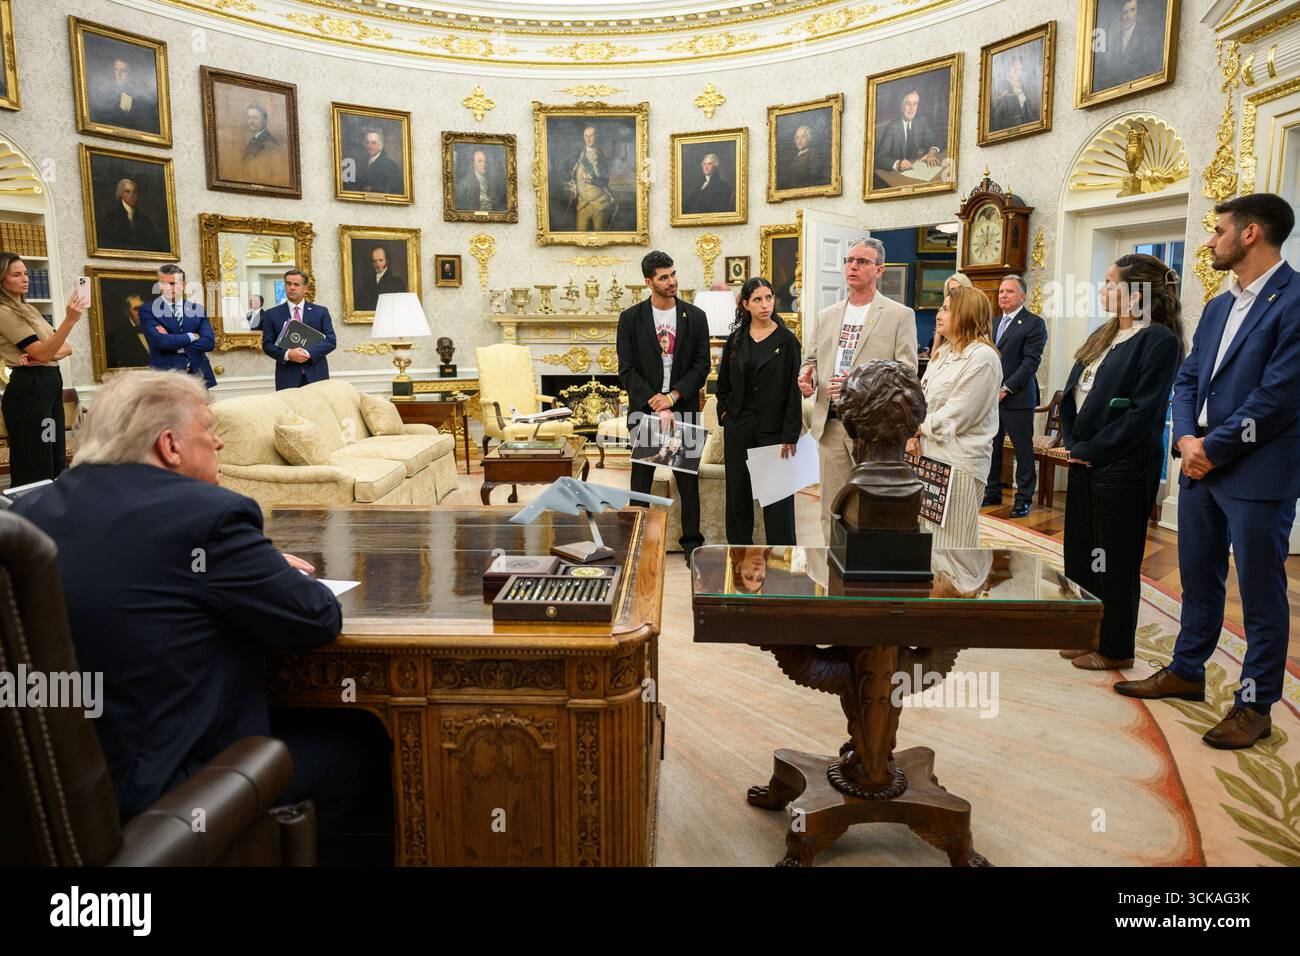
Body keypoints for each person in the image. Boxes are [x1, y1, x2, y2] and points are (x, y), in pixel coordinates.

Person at [9, 370, 379, 834]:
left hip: (51, 796)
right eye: (208, 429)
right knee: (362, 744)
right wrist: (265, 564)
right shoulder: (208, 515)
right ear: (170, 445)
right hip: (173, 790)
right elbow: (316, 617)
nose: (219, 443)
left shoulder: (27, 513)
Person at [1115, 193, 1300, 749]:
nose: (1210, 239)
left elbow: (1280, 395)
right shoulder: (1220, 304)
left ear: (1249, 235)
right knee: (1198, 575)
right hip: (1201, 466)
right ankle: (1187, 669)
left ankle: (1255, 704)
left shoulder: (1295, 300)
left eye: (1218, 229)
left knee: (1262, 592)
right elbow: (1189, 377)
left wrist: (1213, 447)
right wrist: (1188, 437)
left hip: (1258, 472)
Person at [1059, 254, 1183, 671]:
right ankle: (1086, 633)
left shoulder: (1158, 340)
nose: (1102, 289)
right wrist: (1075, 442)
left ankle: (1115, 648)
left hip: (1122, 466)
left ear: (1138, 294)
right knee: (1081, 553)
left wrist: (1091, 450)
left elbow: (1141, 413)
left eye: (1112, 283)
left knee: (1113, 559)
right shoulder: (1106, 333)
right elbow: (1075, 391)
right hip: (1084, 458)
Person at [798, 237, 918, 543]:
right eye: (849, 261)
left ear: (879, 269)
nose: (853, 266)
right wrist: (806, 376)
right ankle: (831, 573)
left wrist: (861, 380)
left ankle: (868, 576)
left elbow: (907, 373)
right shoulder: (827, 316)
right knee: (832, 507)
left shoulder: (898, 315)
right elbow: (810, 360)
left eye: (862, 261)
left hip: (875, 432)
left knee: (873, 508)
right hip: (833, 424)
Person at [617, 250, 710, 561]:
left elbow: (702, 364)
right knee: (640, 483)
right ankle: (637, 541)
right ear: (648, 282)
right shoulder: (630, 319)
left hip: (682, 409)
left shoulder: (695, 316)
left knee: (688, 483)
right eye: (663, 277)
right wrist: (656, 403)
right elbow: (627, 369)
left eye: (673, 274)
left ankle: (692, 545)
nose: (672, 281)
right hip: (646, 411)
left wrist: (673, 398)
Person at [906, 287, 1001, 548]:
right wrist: (913, 432)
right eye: (941, 307)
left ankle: (957, 591)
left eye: (946, 309)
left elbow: (958, 415)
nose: (939, 313)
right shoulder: (943, 353)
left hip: (959, 464)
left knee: (954, 547)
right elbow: (921, 399)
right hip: (927, 457)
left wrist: (916, 428)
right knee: (928, 543)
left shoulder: (983, 358)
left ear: (966, 313)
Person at [716, 277, 802, 546]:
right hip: (739, 427)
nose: (765, 304)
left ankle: (784, 560)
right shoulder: (736, 339)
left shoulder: (787, 341)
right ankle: (739, 557)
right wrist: (725, 415)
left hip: (774, 431)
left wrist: (791, 433)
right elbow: (723, 384)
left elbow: (793, 390)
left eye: (769, 297)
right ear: (746, 304)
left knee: (777, 502)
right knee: (738, 498)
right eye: (757, 299)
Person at [0, 255, 85, 484]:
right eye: (16, 274)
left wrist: (42, 356)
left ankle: (51, 514)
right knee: (35, 461)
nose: (25, 279)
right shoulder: (3, 312)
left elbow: (65, 349)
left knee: (54, 457)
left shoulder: (29, 309)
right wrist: (70, 321)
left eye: (26, 273)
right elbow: (48, 351)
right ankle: (30, 515)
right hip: (30, 388)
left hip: (48, 383)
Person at [984, 274, 1048, 517]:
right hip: (991, 398)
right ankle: (992, 491)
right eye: (1001, 291)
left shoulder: (1034, 323)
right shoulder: (992, 322)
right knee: (993, 446)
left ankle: (1023, 498)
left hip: (1018, 398)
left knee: (1022, 451)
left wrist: (1006, 388)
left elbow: (1030, 363)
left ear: (1022, 296)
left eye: (1009, 291)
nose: (1003, 295)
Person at [138, 263, 216, 389]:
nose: (168, 288)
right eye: (163, 283)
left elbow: (209, 342)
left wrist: (173, 341)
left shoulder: (197, 309)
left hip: (199, 377)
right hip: (166, 377)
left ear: (183, 285)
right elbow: (160, 341)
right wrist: (192, 336)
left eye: (173, 284)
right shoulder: (147, 309)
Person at [261, 268, 336, 390]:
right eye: (288, 284)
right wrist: (288, 354)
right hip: (287, 377)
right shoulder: (271, 314)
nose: (292, 287)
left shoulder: (321, 312)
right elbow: (267, 345)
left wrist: (307, 353)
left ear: (305, 288)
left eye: (296, 284)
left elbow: (331, 341)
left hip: (316, 376)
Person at [874, 90, 942, 185]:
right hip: (895, 176)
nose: (911, 108)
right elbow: (880, 158)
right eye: (908, 104)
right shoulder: (892, 128)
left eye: (915, 104)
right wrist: (898, 163)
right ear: (902, 107)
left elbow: (934, 139)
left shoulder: (921, 121)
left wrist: (932, 152)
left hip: (917, 172)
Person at [1094, 0, 1162, 91]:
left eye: (1132, 10)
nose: (1128, 16)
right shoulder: (1113, 40)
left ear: (1137, 12)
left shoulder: (1146, 36)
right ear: (1121, 16)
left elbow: (1150, 67)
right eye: (1125, 12)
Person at [566, 124, 616, 232]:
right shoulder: (577, 155)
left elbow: (606, 181)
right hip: (582, 204)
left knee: (600, 238)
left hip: (600, 204)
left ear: (596, 137)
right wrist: (572, 184)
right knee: (580, 238)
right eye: (586, 136)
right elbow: (565, 172)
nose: (588, 139)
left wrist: (591, 180)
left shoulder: (602, 156)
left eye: (591, 136)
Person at [89, 55, 158, 133]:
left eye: (123, 71)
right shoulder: (106, 93)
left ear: (130, 74)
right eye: (116, 70)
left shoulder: (141, 97)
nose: (119, 74)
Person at [99, 178, 161, 252]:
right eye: (127, 191)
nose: (132, 195)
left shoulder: (146, 220)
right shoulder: (111, 217)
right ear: (121, 193)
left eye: (134, 192)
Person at [990, 53, 1040, 132]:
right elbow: (996, 126)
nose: (1019, 75)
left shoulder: (1031, 95)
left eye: (1021, 71)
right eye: (1015, 71)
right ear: (1008, 76)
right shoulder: (1003, 99)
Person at [929, 271, 974, 356]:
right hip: (949, 354)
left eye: (960, 288)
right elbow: (935, 348)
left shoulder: (974, 310)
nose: (957, 292)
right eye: (952, 290)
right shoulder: (942, 313)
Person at [356, 246, 406, 312]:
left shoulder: (397, 282)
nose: (377, 264)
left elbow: (400, 307)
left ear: (387, 260)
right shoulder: (367, 282)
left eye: (380, 260)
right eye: (375, 261)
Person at [353, 128, 402, 195]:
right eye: (368, 142)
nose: (370, 146)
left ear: (381, 146)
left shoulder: (391, 166)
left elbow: (392, 190)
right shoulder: (361, 163)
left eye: (374, 143)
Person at [784, 124, 824, 190]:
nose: (799, 141)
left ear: (809, 138)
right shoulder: (798, 155)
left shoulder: (813, 155)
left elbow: (814, 180)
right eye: (797, 137)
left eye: (803, 137)